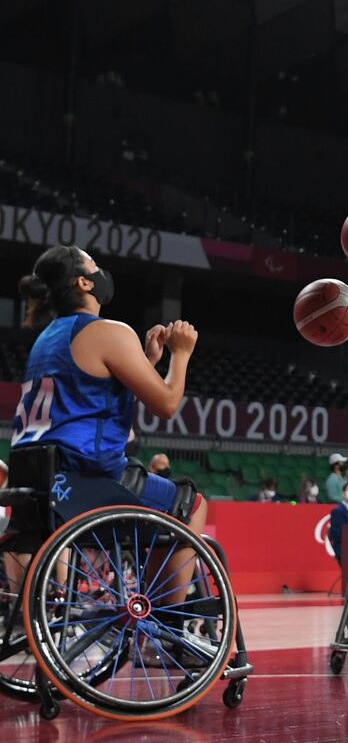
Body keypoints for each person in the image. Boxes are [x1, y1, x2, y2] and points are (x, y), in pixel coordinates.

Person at [1, 245, 205, 610]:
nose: (101, 272)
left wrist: (146, 362)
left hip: (39, 477)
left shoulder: (46, 338)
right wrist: (182, 354)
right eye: (94, 265)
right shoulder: (108, 331)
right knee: (190, 505)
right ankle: (168, 629)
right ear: (83, 281)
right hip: (88, 477)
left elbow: (88, 394)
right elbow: (167, 404)